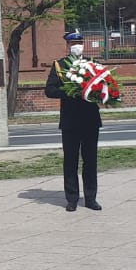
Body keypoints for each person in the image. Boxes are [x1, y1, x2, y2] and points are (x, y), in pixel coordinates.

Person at [44, 28, 104, 212]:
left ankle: (91, 198)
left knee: (90, 160)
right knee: (70, 161)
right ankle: (71, 198)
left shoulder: (93, 63)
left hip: (90, 119)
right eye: (72, 44)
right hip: (70, 120)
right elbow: (50, 90)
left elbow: (103, 86)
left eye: (79, 43)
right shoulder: (59, 66)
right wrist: (69, 91)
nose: (76, 46)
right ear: (67, 45)